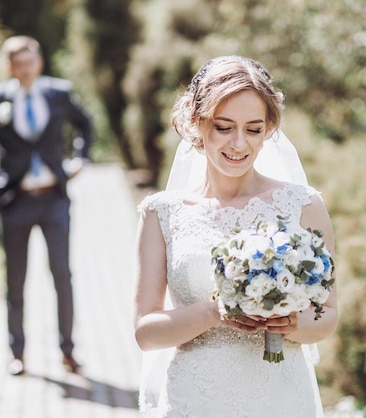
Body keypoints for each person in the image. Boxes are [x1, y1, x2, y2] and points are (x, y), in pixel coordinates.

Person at [133, 55, 338, 417]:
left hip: (281, 399)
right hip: (195, 400)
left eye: (254, 129)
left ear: (269, 128)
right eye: (224, 127)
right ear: (197, 123)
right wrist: (216, 311)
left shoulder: (303, 205)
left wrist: (290, 323)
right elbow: (146, 333)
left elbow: (328, 316)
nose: (239, 143)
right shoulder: (161, 212)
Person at [0, 35, 93, 375]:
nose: (25, 69)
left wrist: (80, 160)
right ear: (10, 67)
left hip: (54, 200)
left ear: (38, 63)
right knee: (15, 281)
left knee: (63, 275)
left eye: (30, 62)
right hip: (15, 201)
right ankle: (17, 354)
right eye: (18, 64)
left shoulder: (58, 93)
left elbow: (86, 123)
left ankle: (67, 351)